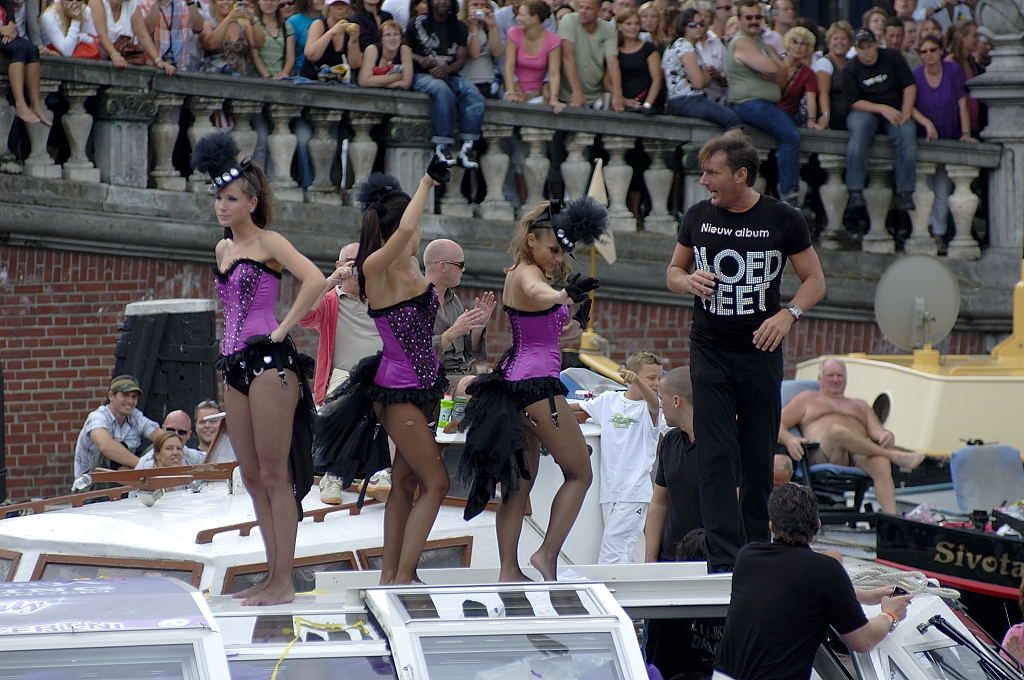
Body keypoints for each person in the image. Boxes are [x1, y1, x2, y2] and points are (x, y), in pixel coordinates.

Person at [665, 130, 826, 572]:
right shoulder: (698, 216)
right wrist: (687, 282)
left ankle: (756, 549)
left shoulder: (783, 219)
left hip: (760, 350)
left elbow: (814, 280)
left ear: (741, 174)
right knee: (716, 456)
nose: (703, 181)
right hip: (709, 348)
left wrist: (787, 314)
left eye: (712, 173)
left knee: (757, 456)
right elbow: (673, 272)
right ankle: (723, 558)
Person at [193, 131, 324, 606]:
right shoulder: (222, 249)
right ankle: (271, 575)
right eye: (218, 199)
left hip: (271, 365)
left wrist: (284, 327)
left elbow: (315, 278)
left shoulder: (270, 241)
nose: (222, 206)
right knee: (249, 476)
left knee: (274, 474)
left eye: (230, 198)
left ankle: (284, 581)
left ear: (251, 201)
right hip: (234, 365)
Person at [316, 162, 452, 585]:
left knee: (407, 482)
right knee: (438, 483)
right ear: (399, 230)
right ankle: (406, 575)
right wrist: (427, 180)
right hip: (397, 390)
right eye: (411, 226)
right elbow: (409, 223)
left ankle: (391, 575)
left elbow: (411, 227)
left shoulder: (409, 265)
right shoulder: (376, 267)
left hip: (422, 385)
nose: (418, 233)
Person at [460, 197, 607, 582]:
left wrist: (575, 312)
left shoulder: (530, 275)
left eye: (564, 253)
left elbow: (557, 332)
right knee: (580, 473)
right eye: (554, 250)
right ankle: (546, 555)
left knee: (518, 482)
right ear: (530, 241)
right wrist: (562, 297)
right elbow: (541, 295)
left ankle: (509, 569)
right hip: (537, 386)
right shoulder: (527, 275)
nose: (559, 259)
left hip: (516, 382)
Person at [714, 483, 913, 680]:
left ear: (771, 525)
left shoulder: (748, 557)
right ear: (817, 525)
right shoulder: (826, 571)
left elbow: (796, 582)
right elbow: (862, 640)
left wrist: (866, 596)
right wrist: (890, 614)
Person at [778, 358, 927, 515]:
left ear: (846, 380)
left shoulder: (860, 405)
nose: (835, 379)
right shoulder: (807, 398)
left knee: (881, 462)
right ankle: (894, 456)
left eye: (840, 376)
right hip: (824, 453)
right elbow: (777, 424)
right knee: (837, 431)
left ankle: (891, 519)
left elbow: (877, 430)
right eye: (830, 375)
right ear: (820, 378)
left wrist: (886, 435)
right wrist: (789, 439)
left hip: (857, 456)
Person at [575, 351, 663, 564]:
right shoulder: (608, 400)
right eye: (651, 378)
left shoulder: (652, 409)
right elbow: (578, 408)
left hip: (634, 493)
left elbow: (653, 403)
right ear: (632, 375)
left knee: (611, 555)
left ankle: (607, 593)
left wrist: (640, 384)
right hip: (609, 491)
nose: (657, 383)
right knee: (622, 553)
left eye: (659, 378)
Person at [726, 0, 802, 209]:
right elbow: (772, 68)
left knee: (796, 127)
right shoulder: (742, 42)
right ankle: (789, 193)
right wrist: (772, 69)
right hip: (749, 103)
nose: (753, 21)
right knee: (790, 136)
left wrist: (772, 70)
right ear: (740, 19)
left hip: (766, 104)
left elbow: (784, 74)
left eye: (757, 17)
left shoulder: (762, 43)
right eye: (748, 18)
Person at [912, 33, 976, 252]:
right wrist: (926, 123)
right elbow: (908, 106)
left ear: (940, 51)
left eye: (933, 50)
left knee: (942, 188)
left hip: (950, 136)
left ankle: (938, 233)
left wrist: (965, 132)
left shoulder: (953, 71)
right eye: (924, 51)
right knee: (925, 187)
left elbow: (962, 104)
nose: (929, 55)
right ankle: (924, 230)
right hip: (925, 139)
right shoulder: (916, 75)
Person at [842, 28, 918, 212]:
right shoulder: (850, 68)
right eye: (862, 48)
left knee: (907, 133)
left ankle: (904, 192)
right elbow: (854, 102)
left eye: (869, 46)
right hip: (867, 109)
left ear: (876, 44)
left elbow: (909, 85)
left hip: (896, 109)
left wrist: (906, 112)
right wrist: (882, 109)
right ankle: (855, 191)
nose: (867, 51)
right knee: (858, 132)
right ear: (856, 49)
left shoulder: (892, 57)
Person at [301, 242, 383, 406]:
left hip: (380, 384)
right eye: (351, 261)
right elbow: (303, 316)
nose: (356, 267)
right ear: (339, 265)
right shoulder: (329, 300)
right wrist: (331, 280)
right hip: (342, 385)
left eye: (362, 261)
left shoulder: (384, 299)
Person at [406, 0, 485, 167]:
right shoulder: (416, 23)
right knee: (442, 90)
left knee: (473, 93)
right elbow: (404, 50)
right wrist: (422, 59)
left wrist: (447, 70)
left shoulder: (459, 27)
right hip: (422, 75)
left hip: (450, 75)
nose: (442, 2)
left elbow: (461, 59)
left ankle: (467, 148)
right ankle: (442, 145)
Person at [423, 238, 495, 386]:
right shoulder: (414, 302)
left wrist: (477, 329)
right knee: (479, 389)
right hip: (433, 379)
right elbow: (413, 352)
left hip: (463, 376)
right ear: (443, 266)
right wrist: (452, 333)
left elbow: (469, 355)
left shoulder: (454, 300)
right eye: (460, 265)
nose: (463, 270)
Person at [73, 374, 160, 480]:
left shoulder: (135, 417)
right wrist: (142, 466)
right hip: (90, 485)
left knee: (162, 447)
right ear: (111, 396)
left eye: (134, 397)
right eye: (125, 395)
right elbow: (106, 446)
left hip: (123, 480)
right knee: (112, 453)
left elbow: (162, 437)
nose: (130, 401)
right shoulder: (98, 416)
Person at [559, 0, 622, 111]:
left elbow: (613, 62)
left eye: (588, 8)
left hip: (596, 97)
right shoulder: (568, 20)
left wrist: (617, 94)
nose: (583, 11)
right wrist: (577, 91)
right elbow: (568, 57)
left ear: (598, 11)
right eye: (581, 7)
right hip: (567, 96)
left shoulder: (608, 29)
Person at [503, 0, 563, 112]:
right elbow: (509, 65)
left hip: (538, 94)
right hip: (515, 90)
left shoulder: (553, 40)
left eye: (521, 15)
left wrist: (554, 98)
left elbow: (554, 73)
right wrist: (511, 92)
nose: (517, 18)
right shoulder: (513, 33)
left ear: (534, 18)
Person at [0, 0, 51, 125]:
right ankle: (20, 104)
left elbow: (7, 4)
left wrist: (11, 24)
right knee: (19, 49)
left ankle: (35, 104)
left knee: (32, 49)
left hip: (6, 30)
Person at [132, 0, 205, 74]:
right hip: (153, 66)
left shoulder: (184, 3)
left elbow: (198, 28)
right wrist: (156, 5)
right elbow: (146, 31)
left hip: (182, 67)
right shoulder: (143, 3)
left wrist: (190, 3)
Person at [614, 7, 662, 112]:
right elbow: (607, 81)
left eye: (636, 24)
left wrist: (647, 104)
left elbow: (657, 79)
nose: (633, 27)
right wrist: (623, 100)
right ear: (619, 26)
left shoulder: (648, 48)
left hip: (646, 106)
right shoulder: (615, 50)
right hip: (622, 106)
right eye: (629, 24)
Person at [300, 0, 362, 80]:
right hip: (312, 81)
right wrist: (331, 33)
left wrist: (354, 40)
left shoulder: (352, 28)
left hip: (340, 83)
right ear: (328, 8)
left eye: (343, 5)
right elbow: (311, 56)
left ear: (348, 8)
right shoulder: (318, 24)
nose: (340, 8)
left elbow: (355, 65)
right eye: (335, 4)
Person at [812, 20, 852, 130]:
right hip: (833, 116)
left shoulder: (852, 63)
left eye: (844, 39)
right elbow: (823, 93)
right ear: (829, 42)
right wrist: (825, 116)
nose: (840, 42)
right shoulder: (825, 62)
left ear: (849, 43)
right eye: (835, 39)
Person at [200, 0, 258, 76]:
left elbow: (258, 44)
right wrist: (228, 19)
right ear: (214, 3)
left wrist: (252, 20)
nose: (226, 1)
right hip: (214, 78)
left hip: (241, 78)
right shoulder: (208, 25)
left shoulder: (243, 25)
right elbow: (211, 45)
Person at [777, 26, 818, 128]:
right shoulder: (776, 62)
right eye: (795, 42)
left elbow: (811, 99)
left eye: (803, 44)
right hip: (768, 109)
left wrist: (811, 120)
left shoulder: (808, 73)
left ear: (808, 48)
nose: (798, 46)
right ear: (788, 44)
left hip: (789, 115)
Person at [136, 410, 207, 468]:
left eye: (181, 432)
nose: (175, 435)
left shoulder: (195, 457)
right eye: (170, 430)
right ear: (163, 429)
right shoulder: (145, 465)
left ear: (189, 435)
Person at [357, 17, 413, 88]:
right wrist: (396, 77)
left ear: (401, 38)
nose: (392, 38)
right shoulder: (372, 49)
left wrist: (378, 83)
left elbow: (406, 84)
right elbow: (363, 81)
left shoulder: (405, 49)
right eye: (387, 35)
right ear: (382, 39)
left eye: (396, 34)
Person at [460, 0, 500, 98]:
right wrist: (473, 28)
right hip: (468, 81)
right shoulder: (460, 24)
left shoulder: (487, 25)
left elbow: (496, 52)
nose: (479, 8)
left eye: (482, 5)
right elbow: (475, 54)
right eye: (475, 5)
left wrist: (492, 26)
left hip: (488, 80)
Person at [90, 0, 143, 67]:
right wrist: (115, 55)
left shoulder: (132, 4)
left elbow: (144, 36)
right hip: (99, 60)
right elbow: (102, 34)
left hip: (127, 59)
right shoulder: (97, 2)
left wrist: (156, 59)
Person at [251, 0, 296, 78]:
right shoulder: (253, 23)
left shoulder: (287, 26)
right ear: (258, 2)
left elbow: (290, 57)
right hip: (257, 79)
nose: (269, 3)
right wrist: (268, 77)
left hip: (280, 80)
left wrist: (283, 74)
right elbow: (254, 55)